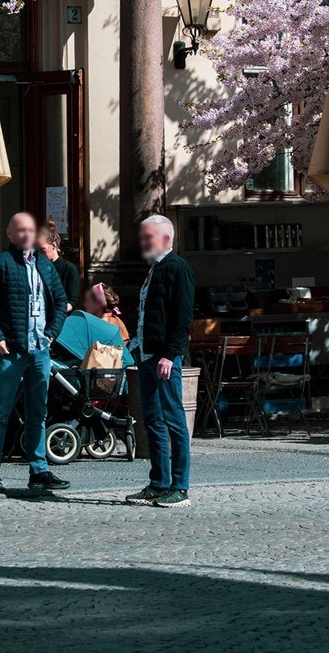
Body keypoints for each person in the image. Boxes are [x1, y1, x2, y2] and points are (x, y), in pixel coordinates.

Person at [0, 211, 70, 495]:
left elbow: (61, 299)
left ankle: (38, 470)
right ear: (10, 234)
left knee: (38, 412)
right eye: (21, 230)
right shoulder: (1, 263)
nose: (27, 235)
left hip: (40, 349)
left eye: (30, 230)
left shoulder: (44, 264)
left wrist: (52, 333)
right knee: (0, 412)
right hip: (12, 349)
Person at [123, 215, 195, 507]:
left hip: (164, 357)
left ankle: (180, 486)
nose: (143, 243)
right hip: (148, 354)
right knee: (152, 418)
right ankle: (159, 482)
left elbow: (182, 317)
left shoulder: (177, 268)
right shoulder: (154, 269)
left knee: (173, 418)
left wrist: (170, 354)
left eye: (148, 237)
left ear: (166, 238)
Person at [38, 218, 81, 311]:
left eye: (42, 249)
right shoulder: (37, 268)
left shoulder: (69, 269)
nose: (39, 254)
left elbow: (72, 301)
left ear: (53, 246)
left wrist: (57, 312)